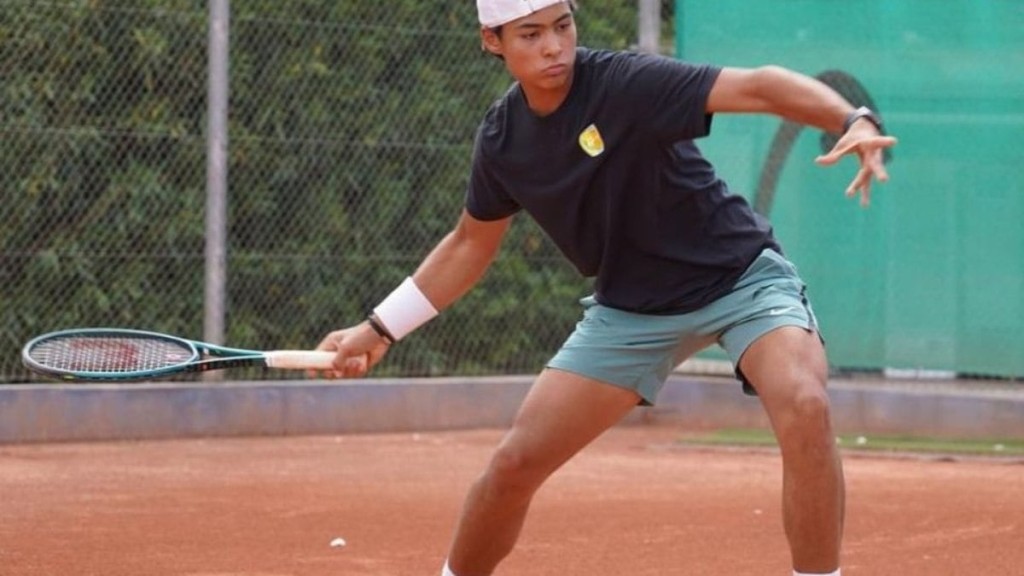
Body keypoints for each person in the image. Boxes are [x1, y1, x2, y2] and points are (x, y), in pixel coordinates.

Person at [314, 1, 897, 575]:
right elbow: (470, 244)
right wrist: (379, 328)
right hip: (631, 311)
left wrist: (853, 118)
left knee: (805, 404)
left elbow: (760, 87)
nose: (554, 47)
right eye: (531, 34)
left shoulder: (624, 83)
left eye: (562, 26)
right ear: (493, 41)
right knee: (514, 465)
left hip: (740, 280)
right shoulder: (503, 139)